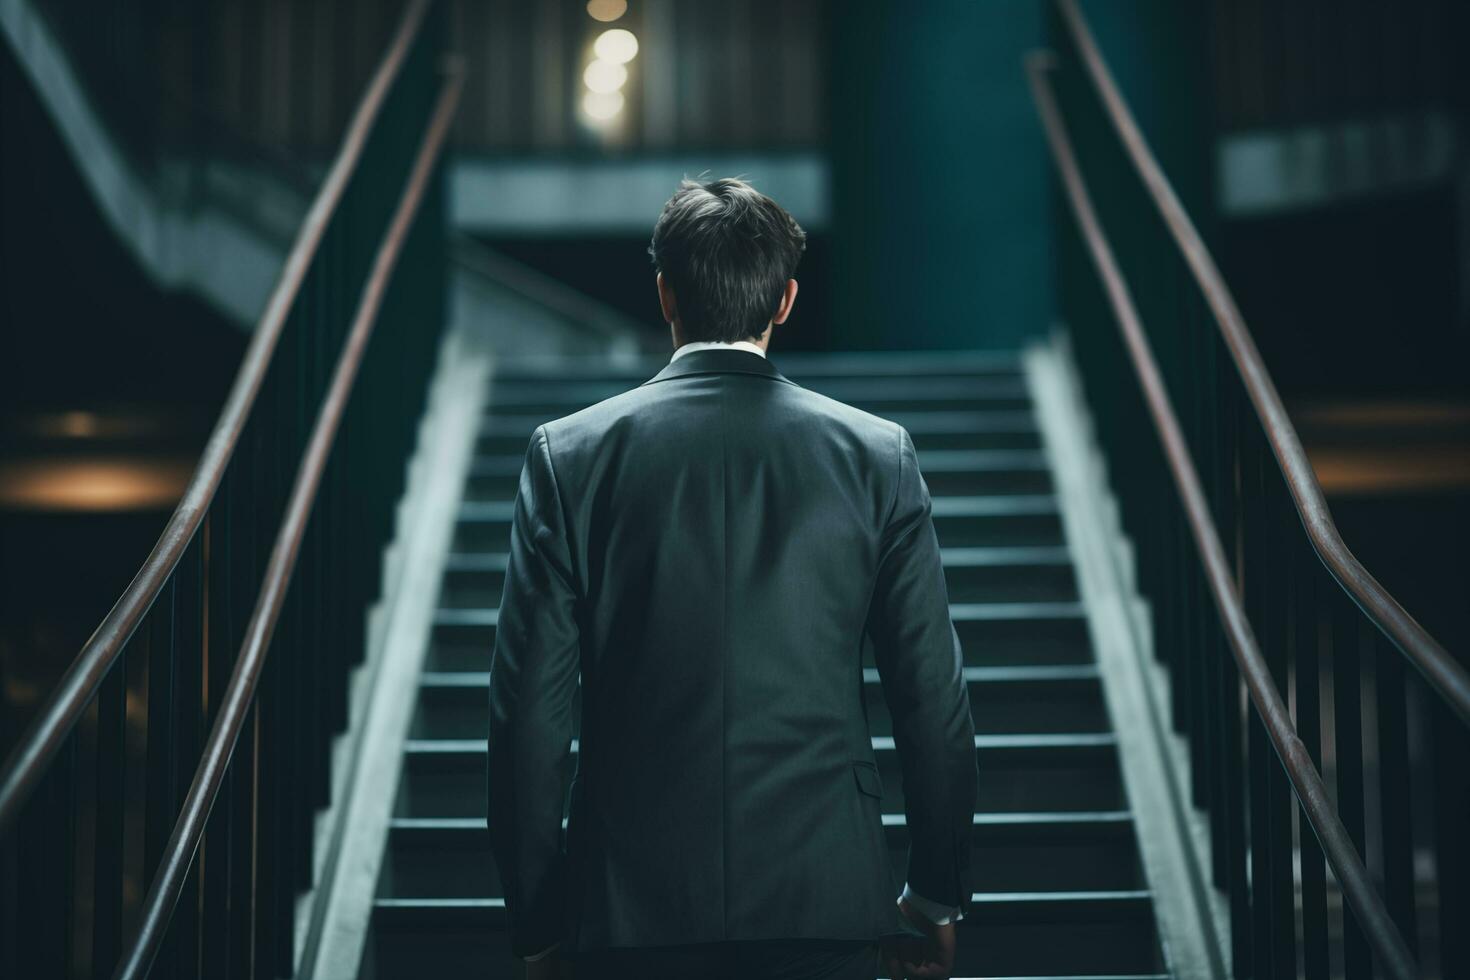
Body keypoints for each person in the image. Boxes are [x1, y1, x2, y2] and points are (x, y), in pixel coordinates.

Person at [487, 177, 978, 980]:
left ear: (664, 294)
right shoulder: (874, 458)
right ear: (784, 301)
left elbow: (526, 726)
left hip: (627, 911)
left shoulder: (569, 457)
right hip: (824, 898)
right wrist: (934, 895)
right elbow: (933, 703)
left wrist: (539, 922)